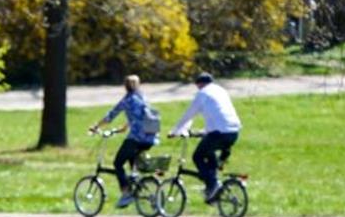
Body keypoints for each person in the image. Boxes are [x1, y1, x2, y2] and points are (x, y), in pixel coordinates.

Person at [169, 71, 242, 202]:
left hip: (219, 133)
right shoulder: (221, 91)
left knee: (197, 156)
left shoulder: (202, 93)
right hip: (234, 132)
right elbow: (219, 114)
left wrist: (175, 130)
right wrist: (203, 131)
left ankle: (213, 184)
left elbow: (189, 114)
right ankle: (213, 190)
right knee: (209, 153)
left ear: (199, 84)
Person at [90, 74, 161, 208]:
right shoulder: (142, 98)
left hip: (136, 138)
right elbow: (138, 116)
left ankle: (126, 193)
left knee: (117, 163)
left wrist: (96, 127)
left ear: (125, 86)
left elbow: (110, 116)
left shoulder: (127, 100)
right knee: (132, 161)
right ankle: (138, 185)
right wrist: (124, 127)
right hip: (150, 138)